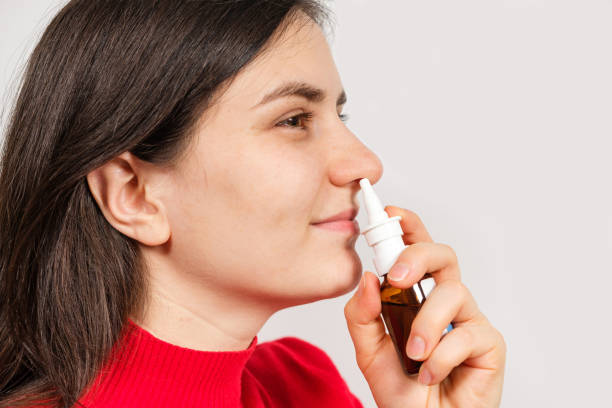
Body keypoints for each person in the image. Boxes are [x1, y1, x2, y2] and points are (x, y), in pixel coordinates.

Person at [0, 1, 506, 407]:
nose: (365, 163)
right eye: (293, 120)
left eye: (339, 116)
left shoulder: (303, 389)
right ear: (133, 194)